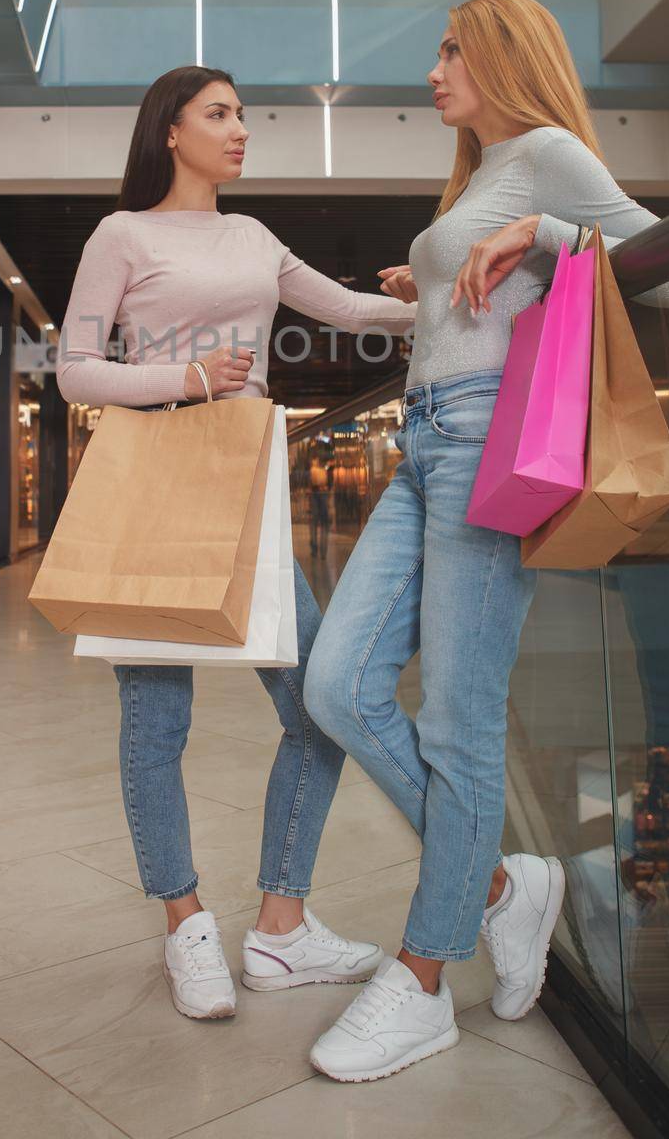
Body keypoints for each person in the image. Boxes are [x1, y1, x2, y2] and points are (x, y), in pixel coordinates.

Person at [302, 0, 669, 1083]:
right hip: (424, 438)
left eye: (447, 51)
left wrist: (551, 230)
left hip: (488, 444)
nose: (431, 70)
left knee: (459, 721)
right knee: (335, 684)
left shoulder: (546, 152)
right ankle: (500, 884)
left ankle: (424, 977)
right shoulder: (475, 174)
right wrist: (422, 284)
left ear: (499, 56)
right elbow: (477, 298)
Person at [55, 63, 417, 1023]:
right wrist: (188, 376)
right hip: (153, 491)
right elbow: (74, 372)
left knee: (314, 708)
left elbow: (343, 307)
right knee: (155, 725)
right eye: (218, 114)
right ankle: (185, 925)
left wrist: (439, 305)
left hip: (245, 491)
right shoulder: (121, 235)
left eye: (243, 115)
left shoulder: (252, 235)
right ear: (169, 130)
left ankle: (281, 927)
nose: (240, 129)